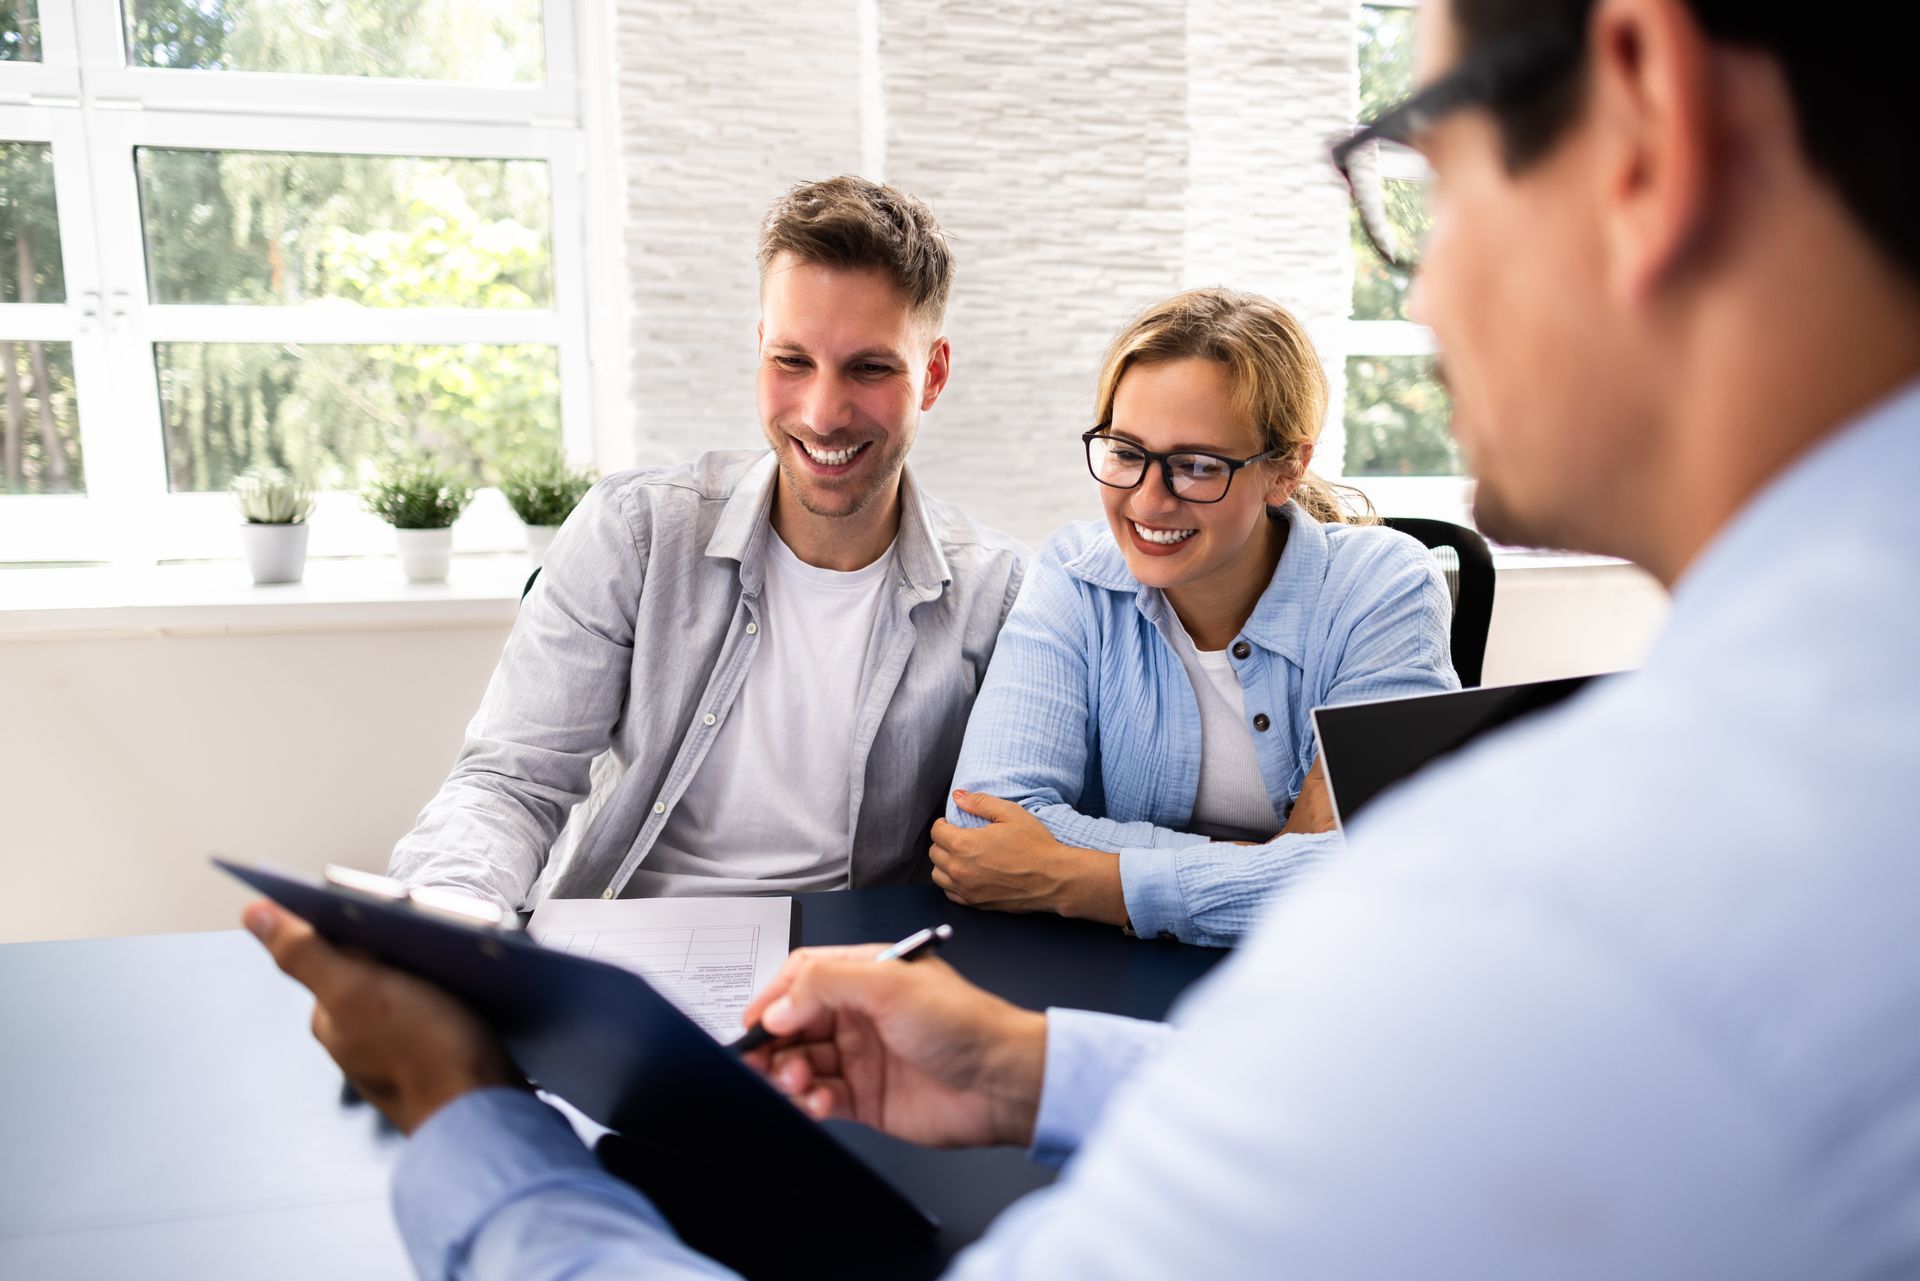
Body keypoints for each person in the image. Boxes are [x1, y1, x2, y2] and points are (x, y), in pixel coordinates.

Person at [245, 0, 1920, 1275]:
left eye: (1423, 168)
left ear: (1644, 121)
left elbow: (1133, 887)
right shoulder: (1782, 791)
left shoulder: (1542, 920)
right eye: (1125, 455)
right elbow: (975, 837)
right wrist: (1053, 1068)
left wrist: (467, 1131)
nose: (1418, 291)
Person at [387, 175, 1027, 908]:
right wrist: (449, 912)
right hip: (623, 944)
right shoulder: (634, 534)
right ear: (760, 350)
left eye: (870, 368)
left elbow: (1013, 839)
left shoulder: (997, 594)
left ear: (933, 374)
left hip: (847, 980)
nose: (823, 413)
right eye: (793, 361)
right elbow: (511, 782)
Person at [929, 289, 1457, 946]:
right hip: (1119, 979)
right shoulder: (1075, 574)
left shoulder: (1383, 586)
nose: (1149, 500)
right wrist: (1274, 864)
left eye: (1197, 466)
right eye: (1125, 451)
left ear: (1285, 469)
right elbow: (984, 828)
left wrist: (1086, 878)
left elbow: (1389, 869)